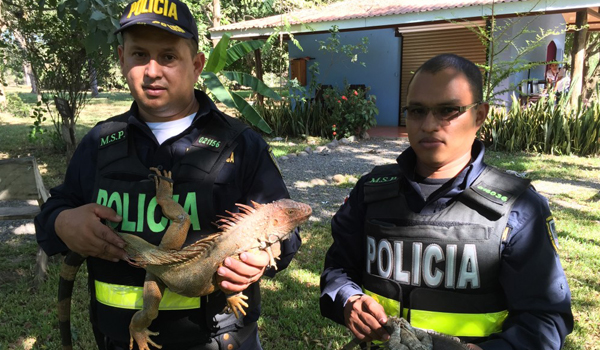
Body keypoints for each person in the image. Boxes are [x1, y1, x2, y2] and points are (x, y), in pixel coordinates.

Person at [34, 1, 301, 349]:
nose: (152, 70)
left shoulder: (241, 144)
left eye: (169, 57)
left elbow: (285, 232)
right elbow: (52, 216)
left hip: (221, 339)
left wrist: (264, 259)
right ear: (121, 59)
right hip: (122, 340)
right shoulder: (98, 143)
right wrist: (63, 223)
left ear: (197, 64)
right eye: (139, 55)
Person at [320, 53, 573, 349]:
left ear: (479, 115)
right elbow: (338, 268)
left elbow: (545, 318)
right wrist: (348, 300)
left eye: (448, 111)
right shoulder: (372, 191)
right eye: (417, 111)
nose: (429, 125)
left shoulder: (517, 210)